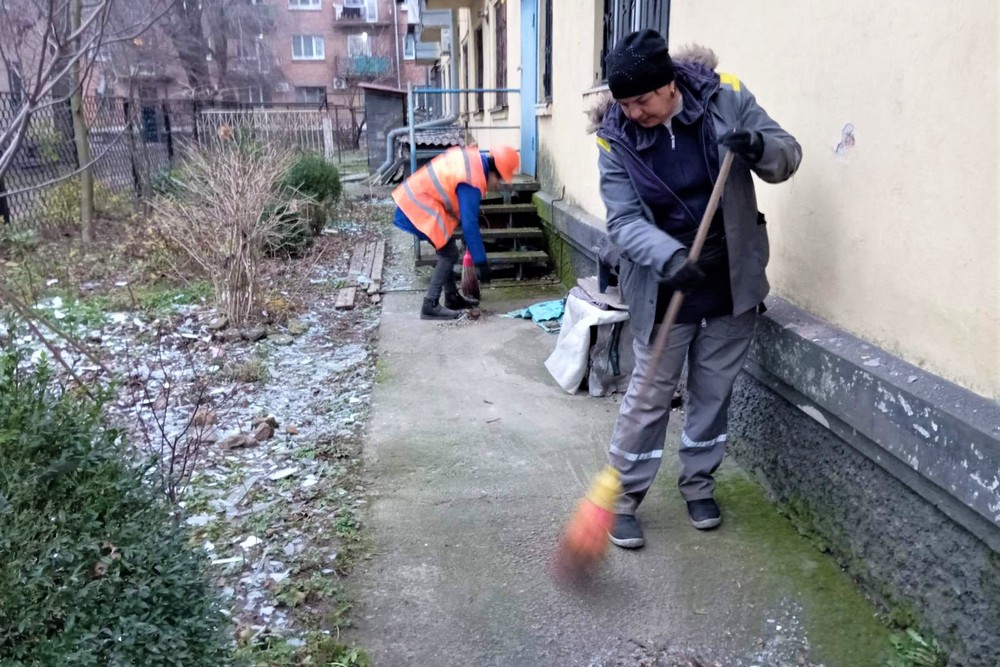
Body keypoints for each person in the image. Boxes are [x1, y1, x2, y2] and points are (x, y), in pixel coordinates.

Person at [594, 31, 802, 547]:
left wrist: (756, 147)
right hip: (664, 281)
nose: (633, 111)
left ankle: (699, 484)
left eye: (641, 100)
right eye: (624, 102)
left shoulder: (726, 97)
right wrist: (666, 257)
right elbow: (622, 220)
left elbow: (787, 155)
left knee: (713, 391)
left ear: (669, 86)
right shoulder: (614, 136)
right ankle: (621, 496)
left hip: (732, 275)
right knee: (648, 395)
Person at [392, 144, 520, 320]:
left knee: (447, 249)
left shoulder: (472, 161)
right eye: (499, 180)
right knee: (449, 253)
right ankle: (430, 304)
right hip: (418, 206)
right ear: (494, 171)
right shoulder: (473, 180)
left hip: (415, 200)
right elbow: (470, 226)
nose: (497, 185)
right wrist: (481, 262)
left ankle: (451, 297)